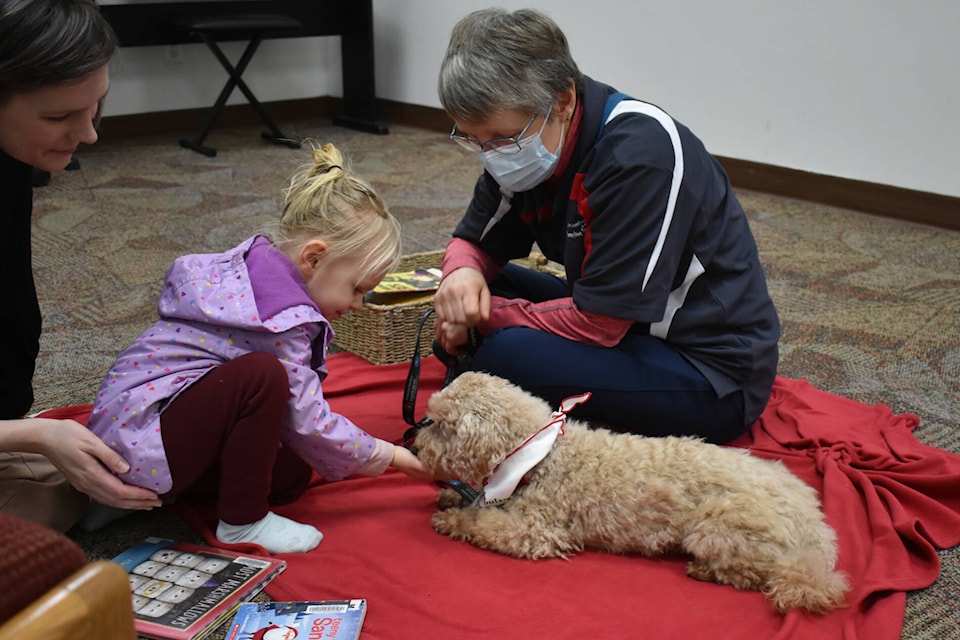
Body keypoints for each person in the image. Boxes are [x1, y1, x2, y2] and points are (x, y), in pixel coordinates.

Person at [432, 8, 780, 444]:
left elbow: (600, 324)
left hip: (708, 372)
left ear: (562, 100)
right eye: (473, 140)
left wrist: (481, 320)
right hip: (630, 324)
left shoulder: (639, 157)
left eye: (502, 139)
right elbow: (474, 241)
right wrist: (461, 275)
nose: (491, 154)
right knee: (478, 284)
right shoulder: (533, 139)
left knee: (501, 348)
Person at [87, 142, 434, 554]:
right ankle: (242, 522)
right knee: (262, 378)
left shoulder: (257, 271)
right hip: (138, 439)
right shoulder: (280, 318)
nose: (358, 305)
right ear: (314, 258)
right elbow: (308, 421)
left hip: (141, 435)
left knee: (289, 476)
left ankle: (161, 493)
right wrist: (394, 457)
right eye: (357, 289)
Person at [0, 0, 163, 533]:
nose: (89, 134)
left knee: (100, 471)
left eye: (95, 107)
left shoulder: (14, 160)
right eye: (58, 117)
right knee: (37, 521)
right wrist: (34, 437)